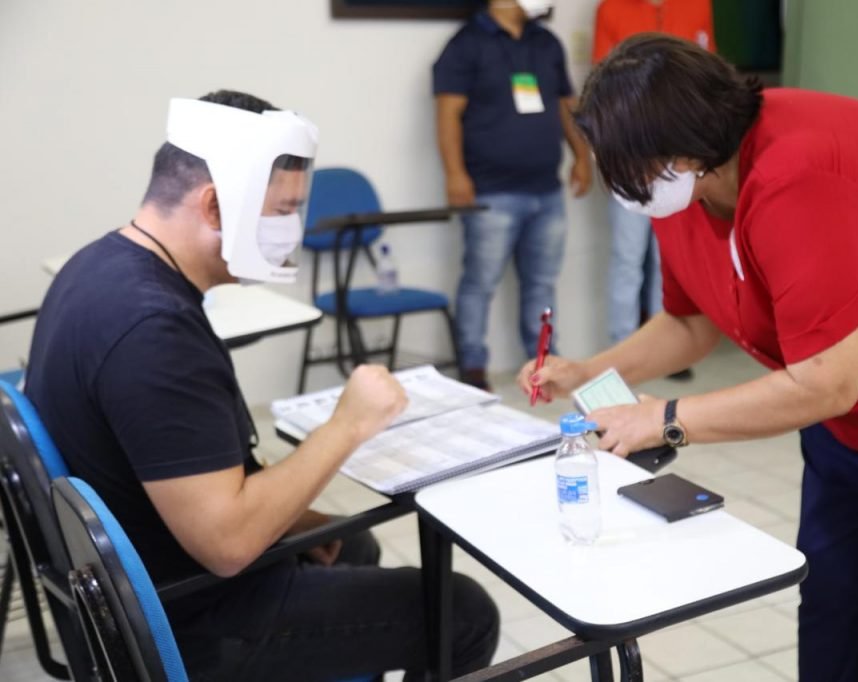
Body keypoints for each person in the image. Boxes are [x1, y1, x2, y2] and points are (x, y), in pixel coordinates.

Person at [518, 35, 858, 681]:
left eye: (624, 164)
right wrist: (589, 371)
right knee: (831, 604)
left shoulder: (798, 174)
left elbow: (827, 382)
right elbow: (690, 321)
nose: (619, 184)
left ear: (682, 151)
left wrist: (666, 418)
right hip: (846, 416)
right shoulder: (684, 186)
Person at [26, 90, 499, 681]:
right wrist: (347, 425)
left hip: (142, 580)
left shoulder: (98, 267)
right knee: (463, 614)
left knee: (350, 544)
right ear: (215, 205)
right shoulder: (153, 330)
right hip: (187, 620)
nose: (292, 230)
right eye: (281, 211)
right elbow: (227, 543)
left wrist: (298, 519)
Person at [433, 0, 592, 391]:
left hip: (547, 190)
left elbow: (565, 105)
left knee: (542, 285)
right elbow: (447, 113)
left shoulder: (547, 42)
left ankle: (543, 364)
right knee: (479, 283)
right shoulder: (466, 44)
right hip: (491, 192)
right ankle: (473, 368)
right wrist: (455, 174)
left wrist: (582, 157)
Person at [592, 0, 714, 372]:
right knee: (628, 258)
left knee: (672, 260)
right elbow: (602, 84)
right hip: (632, 156)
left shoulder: (697, 5)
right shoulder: (613, 8)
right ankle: (622, 348)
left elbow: (709, 77)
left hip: (683, 159)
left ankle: (671, 352)